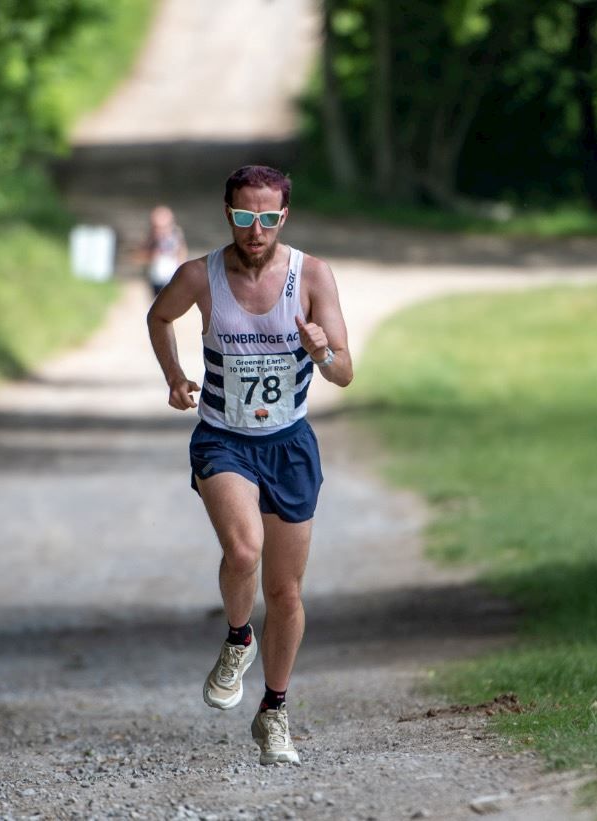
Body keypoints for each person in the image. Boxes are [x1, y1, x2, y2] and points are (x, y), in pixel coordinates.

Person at [146, 166, 353, 766]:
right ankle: (238, 637)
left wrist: (321, 351)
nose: (255, 229)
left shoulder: (312, 276)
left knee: (285, 591)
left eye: (267, 218)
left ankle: (274, 713)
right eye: (243, 216)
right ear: (227, 214)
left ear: (283, 216)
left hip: (288, 444)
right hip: (223, 439)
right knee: (244, 550)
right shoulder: (199, 276)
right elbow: (160, 317)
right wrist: (175, 378)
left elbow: (344, 372)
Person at [140, 205, 189, 296]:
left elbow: (181, 252)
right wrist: (152, 254)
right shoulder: (151, 238)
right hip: (156, 275)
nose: (160, 230)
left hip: (171, 274)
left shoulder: (176, 235)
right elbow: (142, 254)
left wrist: (181, 269)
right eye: (157, 227)